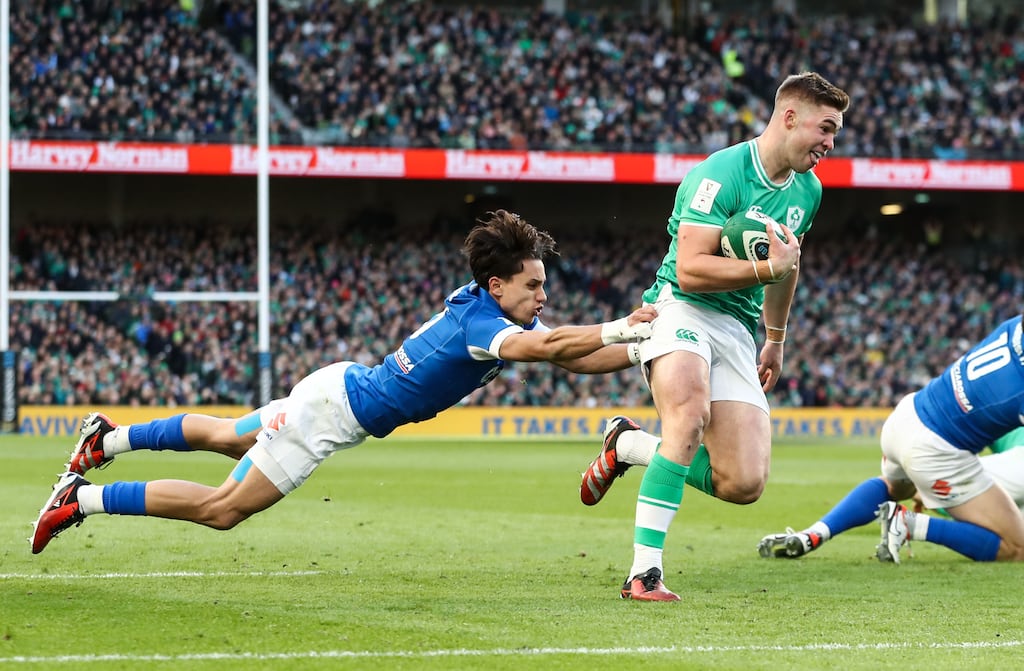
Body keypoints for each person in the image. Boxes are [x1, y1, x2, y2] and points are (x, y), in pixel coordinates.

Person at [31, 210, 657, 554]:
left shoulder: (485, 307)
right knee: (221, 510)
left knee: (227, 435)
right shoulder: (487, 324)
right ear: (498, 287)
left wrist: (636, 353)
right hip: (326, 416)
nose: (544, 296)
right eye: (534, 286)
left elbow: (563, 356)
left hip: (335, 387)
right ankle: (78, 500)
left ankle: (107, 440)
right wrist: (620, 327)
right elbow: (548, 345)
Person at [578, 71, 850, 601]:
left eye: (835, 133)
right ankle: (644, 573)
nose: (830, 144)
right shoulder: (720, 173)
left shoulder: (809, 192)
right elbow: (693, 269)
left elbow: (787, 266)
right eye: (826, 128)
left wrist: (776, 336)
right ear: (788, 117)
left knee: (743, 484)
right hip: (678, 305)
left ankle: (629, 445)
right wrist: (767, 270)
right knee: (689, 413)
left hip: (737, 326)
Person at [754, 321, 1024, 564]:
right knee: (1017, 547)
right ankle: (909, 524)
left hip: (908, 414)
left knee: (894, 486)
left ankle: (814, 534)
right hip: (937, 451)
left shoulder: (1015, 327)